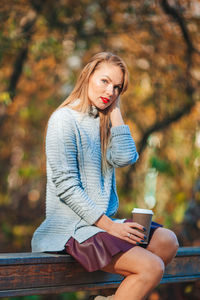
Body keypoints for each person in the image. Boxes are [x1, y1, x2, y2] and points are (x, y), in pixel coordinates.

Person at [31, 52, 179, 300]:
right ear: (88, 77)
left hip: (99, 225)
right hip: (71, 230)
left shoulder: (104, 122)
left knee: (167, 241)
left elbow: (126, 158)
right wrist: (111, 227)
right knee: (151, 267)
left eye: (117, 87)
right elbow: (67, 187)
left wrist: (115, 113)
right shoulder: (63, 119)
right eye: (104, 81)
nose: (110, 91)